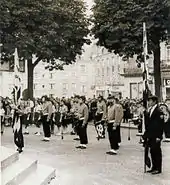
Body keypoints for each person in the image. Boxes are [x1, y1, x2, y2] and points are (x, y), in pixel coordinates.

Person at [143, 95, 164, 174]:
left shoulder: (159, 111)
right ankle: (153, 167)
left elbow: (160, 125)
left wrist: (159, 136)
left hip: (156, 135)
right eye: (148, 100)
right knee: (152, 151)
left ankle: (158, 168)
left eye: (150, 101)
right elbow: (148, 124)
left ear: (154, 101)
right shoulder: (150, 110)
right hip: (150, 134)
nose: (149, 102)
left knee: (157, 151)